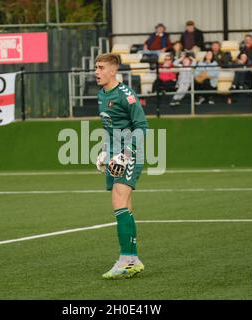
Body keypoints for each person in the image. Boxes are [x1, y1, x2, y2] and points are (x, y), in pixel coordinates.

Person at [94, 53, 147, 280]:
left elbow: (142, 126)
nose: (96, 72)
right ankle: (132, 259)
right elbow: (110, 128)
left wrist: (125, 154)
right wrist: (105, 151)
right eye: (96, 67)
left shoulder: (126, 95)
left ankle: (127, 259)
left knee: (118, 201)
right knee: (124, 204)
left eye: (100, 67)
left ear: (113, 70)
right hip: (114, 154)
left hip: (130, 153)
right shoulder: (101, 95)